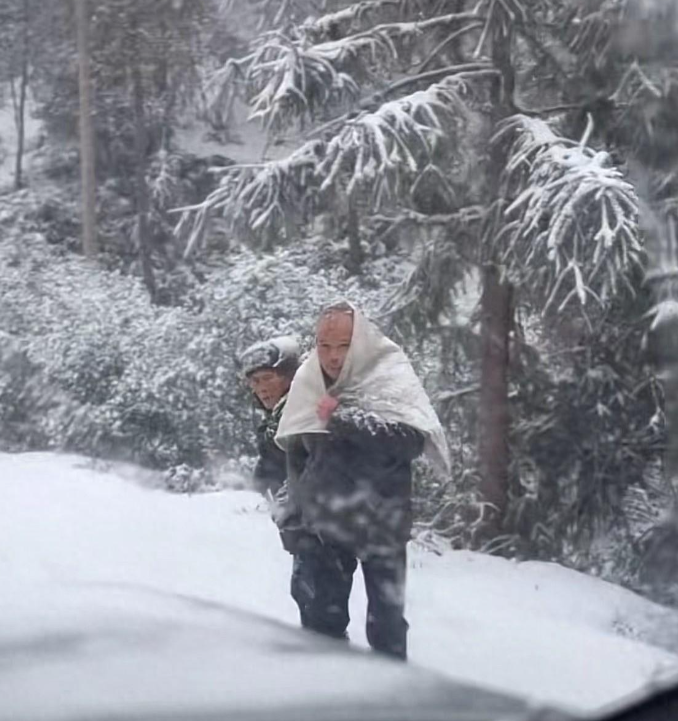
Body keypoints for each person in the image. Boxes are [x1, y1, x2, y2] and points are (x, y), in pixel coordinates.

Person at [275, 302, 449, 660]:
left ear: (361, 342)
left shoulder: (386, 372)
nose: (333, 356)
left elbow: (409, 441)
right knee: (322, 626)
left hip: (381, 522)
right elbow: (298, 452)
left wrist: (343, 418)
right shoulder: (310, 379)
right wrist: (295, 511)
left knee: (386, 628)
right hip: (326, 523)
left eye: (342, 345)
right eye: (324, 345)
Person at [239, 336, 300, 498]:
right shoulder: (273, 421)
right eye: (255, 381)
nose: (262, 388)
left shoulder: (303, 416)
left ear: (290, 377)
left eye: (268, 378)